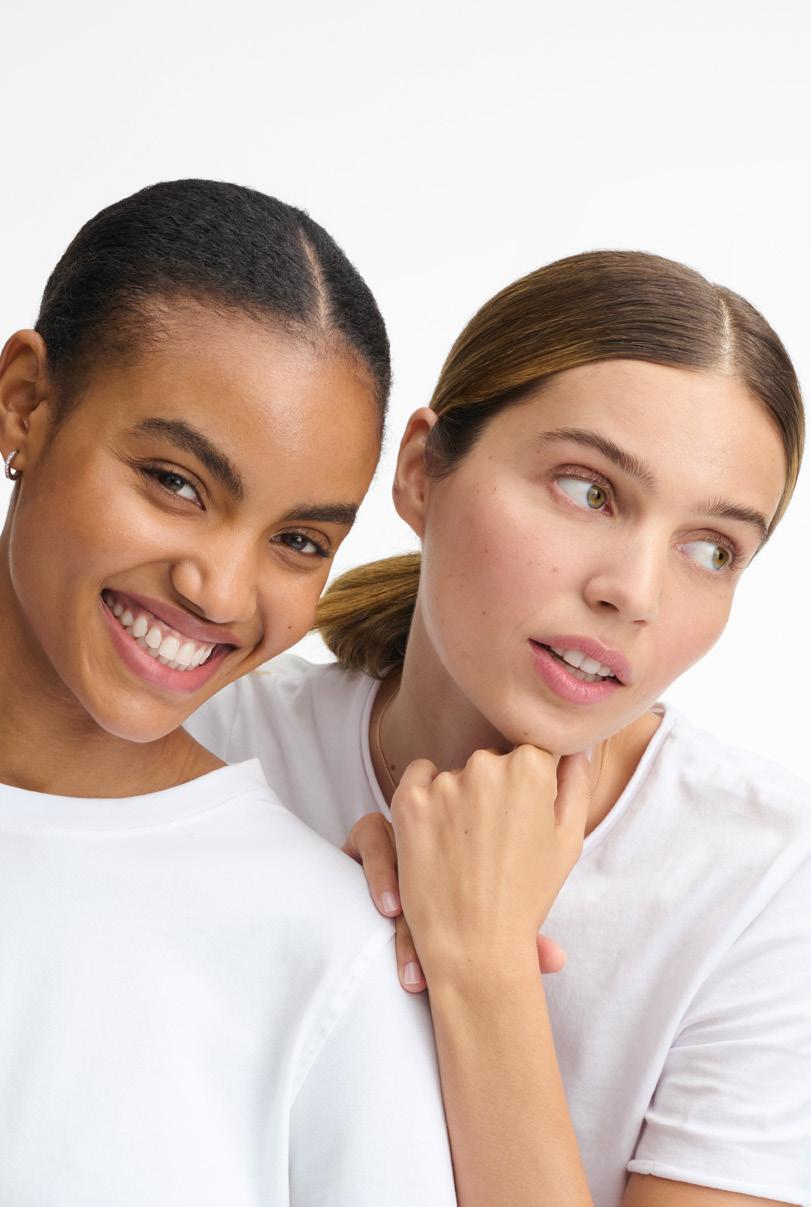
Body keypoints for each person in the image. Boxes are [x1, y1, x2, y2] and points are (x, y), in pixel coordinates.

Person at [188, 250, 811, 1207]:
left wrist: (482, 966)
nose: (633, 592)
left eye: (711, 549)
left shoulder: (763, 881)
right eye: (587, 490)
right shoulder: (214, 743)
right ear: (420, 471)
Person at [0, 179, 457, 1206]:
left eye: (297, 540)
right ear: (24, 402)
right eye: (175, 481)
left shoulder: (323, 952)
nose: (217, 589)